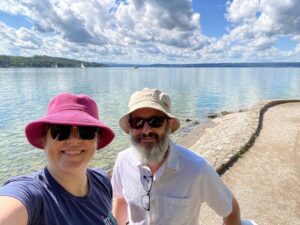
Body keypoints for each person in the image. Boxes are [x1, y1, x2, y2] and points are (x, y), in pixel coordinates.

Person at [111, 88, 257, 225]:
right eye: (138, 122)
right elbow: (120, 199)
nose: (146, 130)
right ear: (130, 127)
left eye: (155, 121)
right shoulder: (123, 161)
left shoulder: (196, 169)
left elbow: (229, 209)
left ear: (169, 124)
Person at [0, 93, 117, 225]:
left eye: (86, 131)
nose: (73, 141)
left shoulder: (102, 180)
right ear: (44, 140)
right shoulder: (32, 195)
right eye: (61, 130)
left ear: (97, 139)